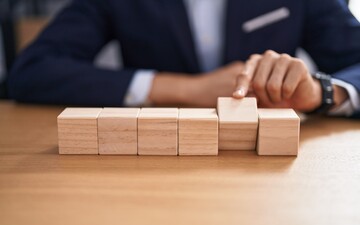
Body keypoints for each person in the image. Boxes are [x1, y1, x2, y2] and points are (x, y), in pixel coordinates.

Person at [7, 0, 360, 118]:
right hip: (153, 174)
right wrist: (183, 89)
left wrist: (320, 93)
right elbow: (32, 70)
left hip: (273, 182)